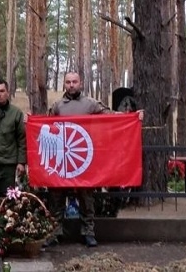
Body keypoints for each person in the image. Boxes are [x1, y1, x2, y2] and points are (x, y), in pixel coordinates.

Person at [45, 72, 144, 248]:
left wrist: (132, 116)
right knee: (56, 197)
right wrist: (29, 121)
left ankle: (88, 232)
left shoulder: (90, 104)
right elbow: (45, 125)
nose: (71, 85)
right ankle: (54, 233)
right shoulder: (57, 106)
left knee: (86, 197)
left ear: (80, 83)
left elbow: (110, 115)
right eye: (68, 82)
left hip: (83, 159)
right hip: (63, 160)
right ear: (65, 84)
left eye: (74, 82)